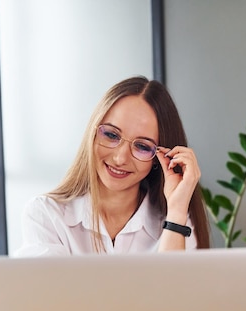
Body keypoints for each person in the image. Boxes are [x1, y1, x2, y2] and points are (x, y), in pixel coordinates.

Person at [15, 76, 210, 256]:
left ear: (162, 158)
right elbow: (48, 293)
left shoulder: (178, 222)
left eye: (142, 146)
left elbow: (175, 293)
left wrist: (176, 212)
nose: (120, 158)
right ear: (93, 133)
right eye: (111, 135)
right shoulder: (46, 215)